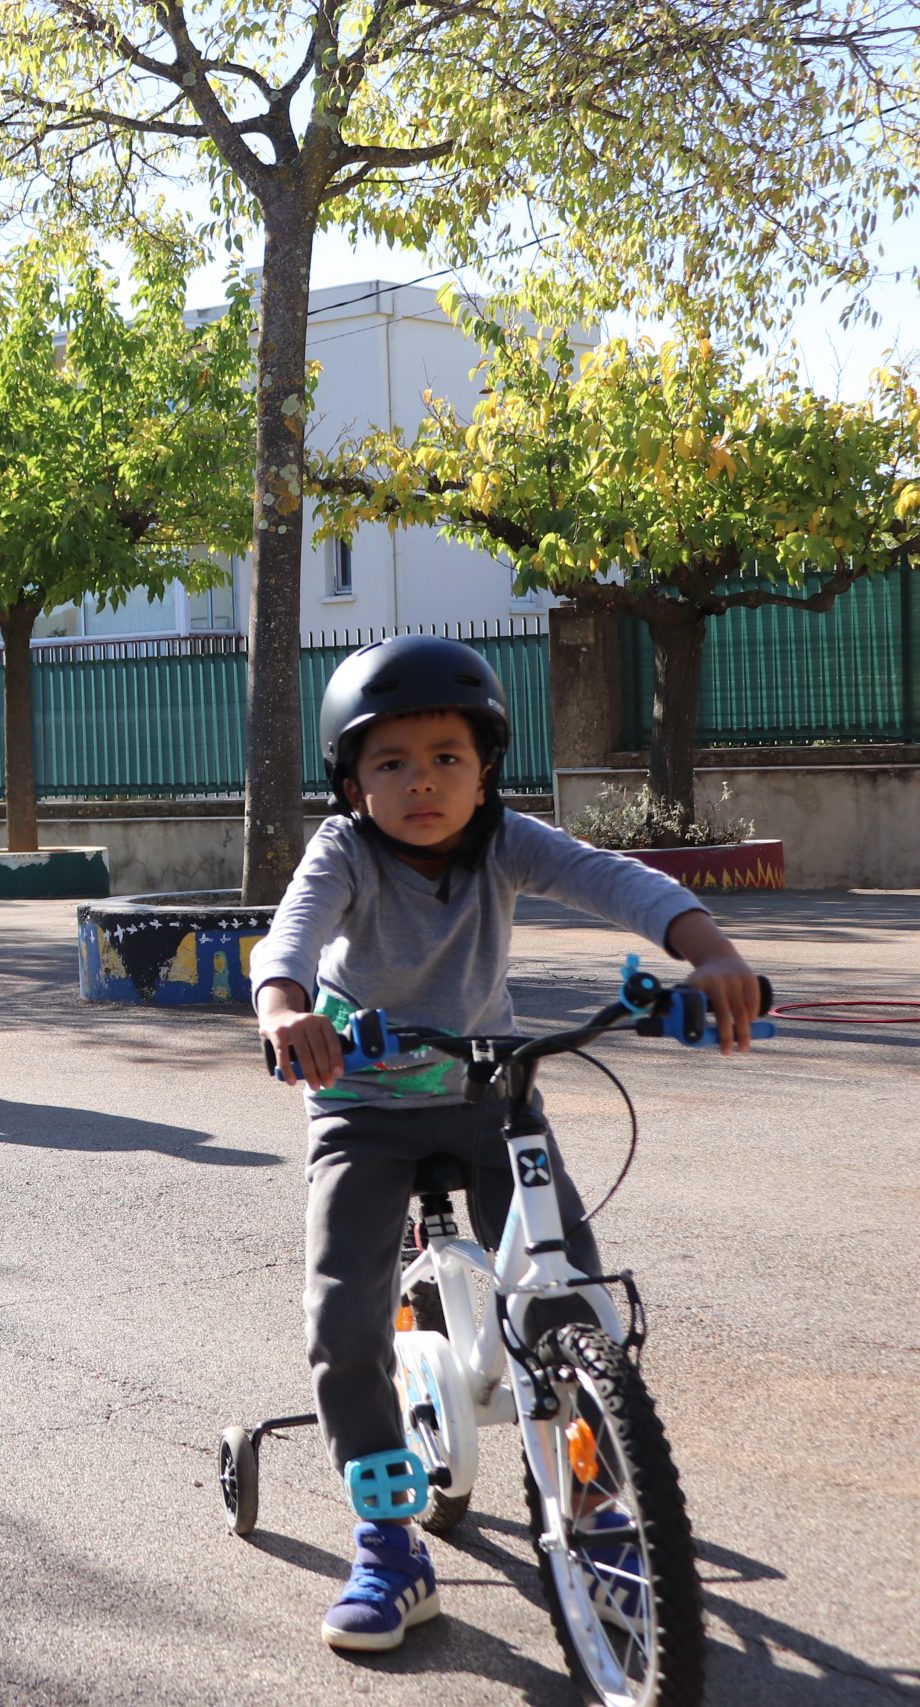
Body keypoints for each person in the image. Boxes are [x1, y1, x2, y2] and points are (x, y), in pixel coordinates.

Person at [252, 635, 761, 1656]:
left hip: (489, 1099)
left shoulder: (507, 840)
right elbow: (292, 933)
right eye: (389, 762)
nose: (422, 781)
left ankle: (597, 1497)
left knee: (569, 1294)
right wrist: (282, 1009)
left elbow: (611, 879)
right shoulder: (344, 852)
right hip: (360, 1105)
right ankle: (387, 1544)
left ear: (486, 767)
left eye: (446, 755)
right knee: (343, 1311)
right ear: (351, 783)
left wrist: (705, 948)